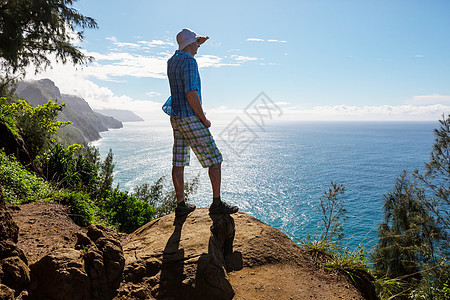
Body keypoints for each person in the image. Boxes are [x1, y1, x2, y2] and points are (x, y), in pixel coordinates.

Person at [165, 28, 238, 217]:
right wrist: (203, 119)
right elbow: (191, 92)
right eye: (195, 43)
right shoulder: (190, 62)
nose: (198, 47)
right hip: (190, 117)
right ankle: (216, 203)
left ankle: (180, 206)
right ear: (189, 43)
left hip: (176, 117)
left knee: (179, 161)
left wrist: (197, 41)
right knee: (215, 159)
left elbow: (179, 89)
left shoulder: (172, 61)